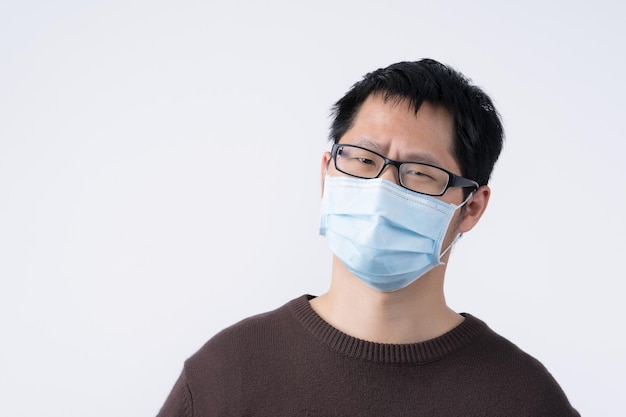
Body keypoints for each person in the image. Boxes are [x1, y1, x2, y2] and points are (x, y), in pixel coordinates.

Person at [156, 59, 580, 416]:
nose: (382, 189)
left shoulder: (524, 400)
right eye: (361, 159)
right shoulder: (224, 375)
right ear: (327, 173)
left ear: (471, 207)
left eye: (419, 172)